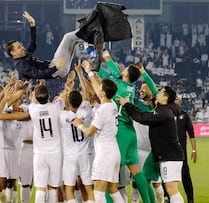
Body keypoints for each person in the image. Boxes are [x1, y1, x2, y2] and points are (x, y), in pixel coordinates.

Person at [95, 51, 155, 203]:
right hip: (131, 132)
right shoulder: (131, 87)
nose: (122, 70)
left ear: (126, 75)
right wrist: (96, 66)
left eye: (125, 70)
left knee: (110, 172)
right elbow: (103, 72)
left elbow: (109, 72)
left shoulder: (118, 85)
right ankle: (150, 202)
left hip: (120, 130)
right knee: (136, 171)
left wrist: (103, 54)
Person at [118, 86, 185, 203]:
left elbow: (142, 117)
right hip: (165, 155)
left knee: (172, 190)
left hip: (170, 156)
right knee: (148, 179)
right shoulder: (163, 109)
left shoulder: (164, 112)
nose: (157, 93)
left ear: (165, 97)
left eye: (160, 92)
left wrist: (127, 105)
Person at [72, 74, 123, 203]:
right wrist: (88, 72)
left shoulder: (103, 110)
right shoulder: (112, 105)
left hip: (105, 154)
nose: (97, 88)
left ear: (103, 93)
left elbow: (89, 132)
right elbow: (96, 89)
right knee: (113, 190)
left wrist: (79, 125)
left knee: (98, 193)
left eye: (99, 88)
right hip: (114, 151)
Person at [7, 11, 80, 79]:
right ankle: (88, 29)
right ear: (13, 52)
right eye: (19, 47)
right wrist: (56, 67)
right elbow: (38, 74)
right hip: (55, 70)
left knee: (73, 40)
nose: (22, 48)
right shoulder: (20, 65)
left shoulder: (24, 55)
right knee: (67, 37)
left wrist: (32, 25)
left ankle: (88, 34)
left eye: (21, 45)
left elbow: (32, 44)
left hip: (57, 68)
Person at [28, 84, 64, 203]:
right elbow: (64, 94)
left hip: (39, 153)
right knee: (53, 186)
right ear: (49, 96)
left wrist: (38, 87)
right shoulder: (56, 107)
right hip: (55, 153)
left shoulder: (32, 108)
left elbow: (33, 99)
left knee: (40, 187)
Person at [175, 96, 197, 203]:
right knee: (167, 177)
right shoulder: (166, 113)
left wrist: (194, 150)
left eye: (177, 99)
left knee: (185, 175)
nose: (176, 101)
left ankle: (190, 199)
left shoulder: (184, 115)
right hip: (168, 150)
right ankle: (166, 197)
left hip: (181, 152)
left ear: (180, 102)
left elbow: (191, 134)